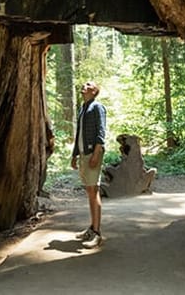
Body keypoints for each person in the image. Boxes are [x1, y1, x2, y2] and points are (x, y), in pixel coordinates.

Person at [71, 81, 107, 248]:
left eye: (88, 85)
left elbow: (101, 132)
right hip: (83, 153)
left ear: (94, 91)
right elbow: (79, 134)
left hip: (93, 153)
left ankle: (97, 233)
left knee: (94, 190)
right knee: (89, 190)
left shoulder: (97, 107)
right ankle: (92, 227)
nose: (83, 86)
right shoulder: (83, 108)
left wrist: (96, 154)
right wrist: (74, 155)